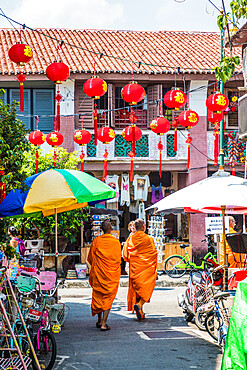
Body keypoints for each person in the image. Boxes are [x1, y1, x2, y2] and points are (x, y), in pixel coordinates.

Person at [87, 220, 121, 331]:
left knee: (99, 296)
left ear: (102, 229)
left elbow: (90, 258)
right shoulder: (116, 242)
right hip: (111, 274)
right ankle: (104, 324)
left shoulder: (96, 241)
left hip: (99, 273)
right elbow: (117, 260)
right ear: (111, 228)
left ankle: (100, 320)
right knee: (108, 297)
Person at [123, 218, 157, 321]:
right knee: (147, 287)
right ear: (143, 227)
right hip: (146, 268)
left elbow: (125, 255)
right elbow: (154, 253)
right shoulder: (148, 238)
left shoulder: (130, 239)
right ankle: (140, 304)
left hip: (135, 268)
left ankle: (141, 311)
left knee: (137, 289)